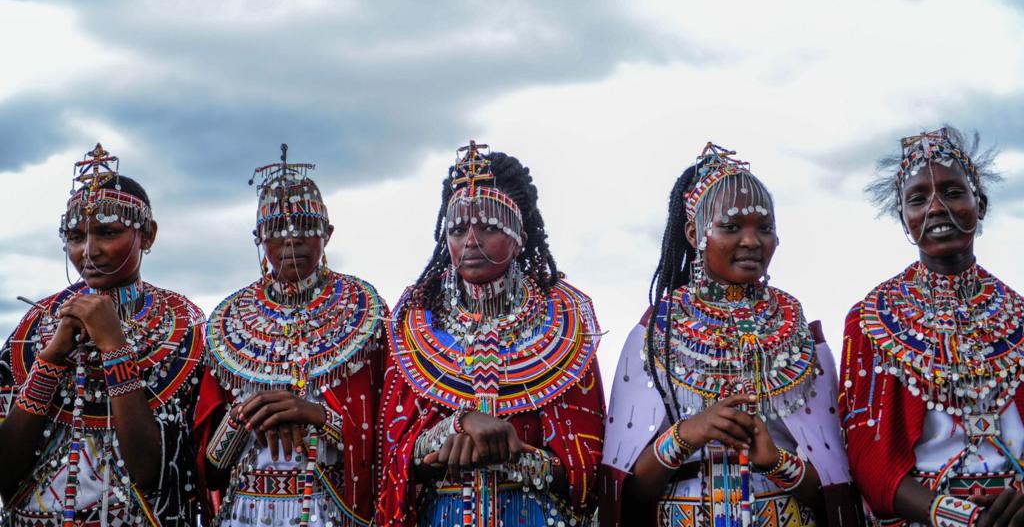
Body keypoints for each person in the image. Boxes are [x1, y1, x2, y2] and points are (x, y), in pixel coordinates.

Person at [601, 143, 860, 527]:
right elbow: (625, 492)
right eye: (732, 226)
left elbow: (835, 492)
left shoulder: (800, 336)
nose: (752, 242)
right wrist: (689, 433)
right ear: (694, 233)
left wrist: (776, 462)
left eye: (765, 228)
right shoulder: (654, 333)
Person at [376, 142, 605, 527]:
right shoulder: (414, 322)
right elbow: (392, 455)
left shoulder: (566, 324)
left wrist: (512, 453)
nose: (470, 241)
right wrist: (456, 426)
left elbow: (586, 471)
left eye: (489, 227)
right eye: (458, 229)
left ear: (519, 236)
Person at [0, 144, 205, 525]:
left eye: (107, 232)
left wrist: (114, 347)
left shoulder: (185, 329)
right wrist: (51, 357)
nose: (89, 251)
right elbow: (4, 471)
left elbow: (150, 474)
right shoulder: (32, 328)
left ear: (148, 235)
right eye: (76, 237)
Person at [841, 126, 1024, 527]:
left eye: (954, 193)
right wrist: (960, 518)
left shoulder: (1019, 315)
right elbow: (870, 462)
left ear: (982, 204)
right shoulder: (871, 321)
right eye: (919, 199)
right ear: (904, 219)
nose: (937, 208)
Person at [195, 145, 386, 527]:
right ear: (258, 238)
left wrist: (316, 416)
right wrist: (247, 415)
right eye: (276, 230)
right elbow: (208, 470)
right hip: (245, 513)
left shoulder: (366, 316)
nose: (290, 239)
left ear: (327, 234)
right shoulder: (228, 323)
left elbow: (386, 443)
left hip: (330, 511)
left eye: (304, 226)